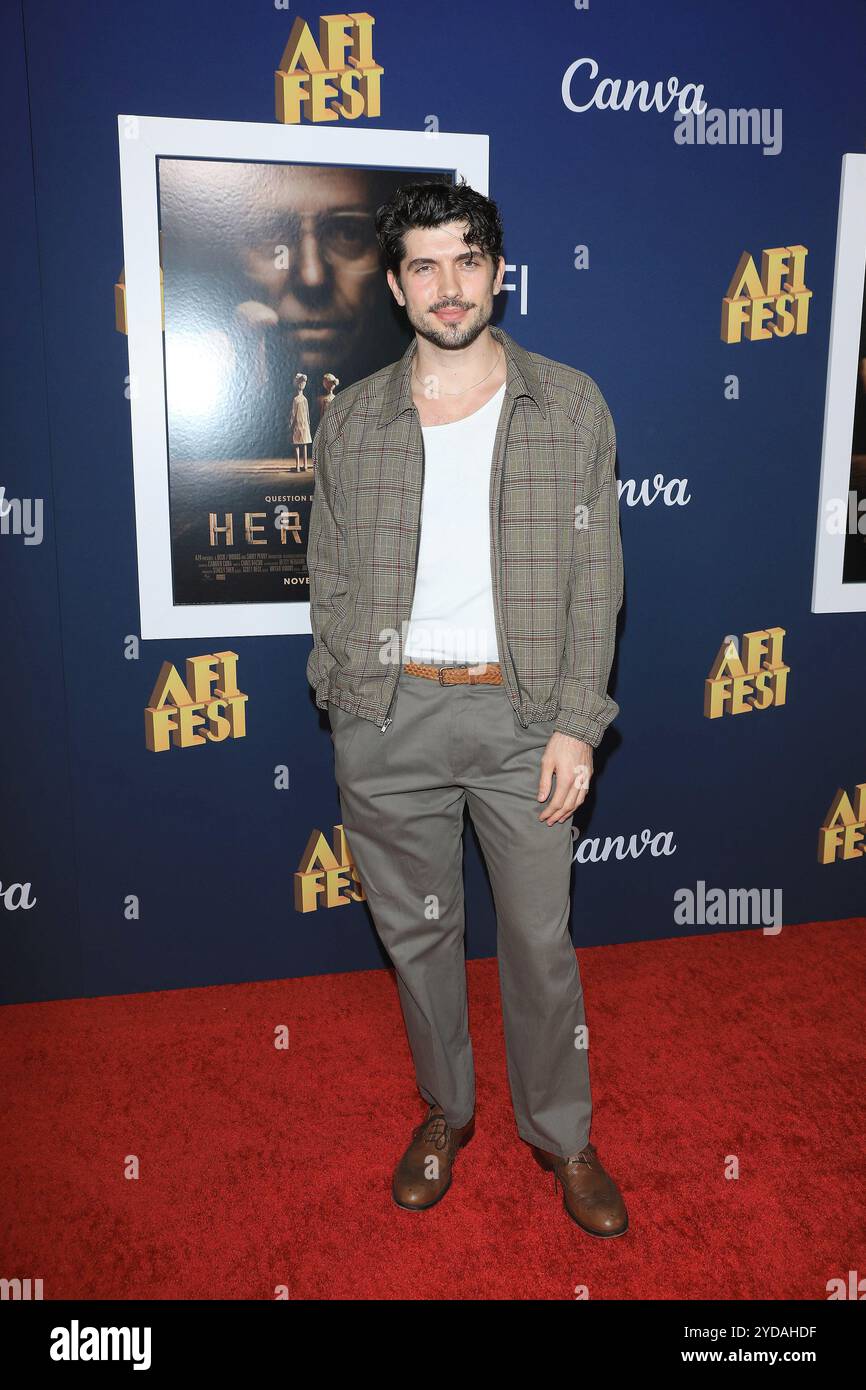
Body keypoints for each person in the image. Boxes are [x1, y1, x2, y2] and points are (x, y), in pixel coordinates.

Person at [306, 179, 627, 1237]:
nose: (448, 286)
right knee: (418, 939)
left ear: (496, 271)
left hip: (523, 718)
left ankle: (562, 1134)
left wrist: (576, 723)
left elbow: (598, 580)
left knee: (538, 941)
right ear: (397, 288)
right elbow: (329, 573)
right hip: (389, 718)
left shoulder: (570, 403)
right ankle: (446, 1112)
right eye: (423, 266)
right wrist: (350, 703)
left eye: (466, 260)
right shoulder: (352, 419)